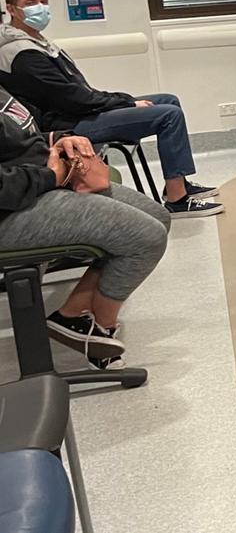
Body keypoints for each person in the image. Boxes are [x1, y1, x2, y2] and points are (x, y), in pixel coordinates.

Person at [0, 0, 222, 218]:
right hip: (66, 124)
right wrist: (126, 102)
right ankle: (178, 201)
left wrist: (120, 100)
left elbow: (80, 92)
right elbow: (75, 99)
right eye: (31, 3)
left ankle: (177, 184)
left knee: (167, 100)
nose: (40, 8)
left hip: (78, 112)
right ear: (12, 9)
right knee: (168, 115)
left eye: (44, 2)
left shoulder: (37, 42)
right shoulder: (21, 53)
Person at [0, 86, 170, 371]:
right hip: (11, 210)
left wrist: (59, 140)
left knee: (158, 218)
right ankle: (99, 331)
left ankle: (72, 315)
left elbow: (18, 141)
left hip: (34, 187)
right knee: (146, 238)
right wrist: (49, 176)